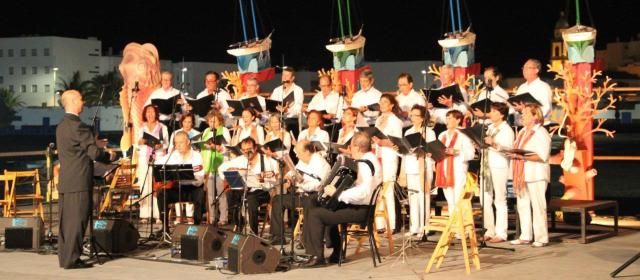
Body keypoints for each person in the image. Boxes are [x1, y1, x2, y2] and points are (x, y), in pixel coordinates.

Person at [301, 132, 382, 267]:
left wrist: (338, 194)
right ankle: (334, 251)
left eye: (351, 147)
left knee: (316, 214)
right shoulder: (370, 159)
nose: (350, 150)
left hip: (361, 210)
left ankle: (317, 256)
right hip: (360, 207)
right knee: (314, 201)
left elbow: (364, 192)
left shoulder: (365, 165)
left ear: (357, 148)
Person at [56, 90, 114, 269]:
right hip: (79, 181)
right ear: (73, 101)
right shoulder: (78, 126)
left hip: (66, 180)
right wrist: (109, 155)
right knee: (77, 221)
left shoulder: (61, 126)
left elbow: (76, 150)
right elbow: (93, 153)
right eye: (81, 99)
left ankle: (65, 257)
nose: (83, 102)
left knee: (65, 222)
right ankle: (72, 260)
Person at [269, 140, 331, 245]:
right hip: (301, 195)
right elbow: (294, 171)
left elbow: (318, 186)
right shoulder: (303, 161)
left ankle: (307, 240)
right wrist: (288, 178)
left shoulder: (321, 164)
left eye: (298, 152)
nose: (296, 155)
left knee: (309, 202)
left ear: (307, 151)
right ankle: (278, 236)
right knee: (277, 199)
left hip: (315, 197)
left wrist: (298, 184)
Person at [218, 137, 279, 234]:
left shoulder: (266, 160)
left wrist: (264, 180)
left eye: (249, 150)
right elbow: (221, 168)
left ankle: (253, 232)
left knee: (251, 199)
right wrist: (229, 174)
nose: (247, 152)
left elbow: (274, 179)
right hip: (244, 190)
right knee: (231, 194)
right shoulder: (240, 159)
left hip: (262, 191)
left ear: (255, 148)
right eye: (244, 150)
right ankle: (239, 225)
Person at [509, 104, 551, 248]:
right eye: (522, 113)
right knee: (522, 204)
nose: (522, 116)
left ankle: (541, 237)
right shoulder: (521, 132)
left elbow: (542, 156)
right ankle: (525, 235)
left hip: (536, 173)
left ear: (535, 116)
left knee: (538, 206)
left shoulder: (541, 132)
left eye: (526, 113)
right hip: (522, 173)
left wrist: (522, 157)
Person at [155, 131, 205, 226]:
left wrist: (186, 176)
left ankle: (197, 225)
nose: (178, 145)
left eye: (180, 142)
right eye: (176, 143)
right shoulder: (173, 155)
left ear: (188, 142)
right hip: (177, 188)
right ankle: (164, 227)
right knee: (162, 194)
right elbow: (158, 163)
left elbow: (199, 181)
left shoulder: (197, 156)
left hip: (192, 188)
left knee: (200, 194)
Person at [481, 102, 514, 243]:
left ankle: (501, 233)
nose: (491, 113)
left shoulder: (507, 130)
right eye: (491, 111)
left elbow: (508, 149)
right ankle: (489, 229)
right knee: (485, 198)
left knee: (500, 199)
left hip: (499, 165)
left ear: (501, 114)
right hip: (486, 165)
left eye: (494, 111)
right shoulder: (490, 128)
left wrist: (493, 143)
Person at [401, 105, 436, 238]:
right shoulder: (408, 132)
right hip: (411, 166)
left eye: (416, 115)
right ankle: (414, 226)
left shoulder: (429, 132)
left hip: (423, 166)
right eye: (412, 115)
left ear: (422, 118)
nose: (412, 117)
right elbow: (404, 151)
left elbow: (433, 150)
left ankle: (424, 226)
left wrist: (423, 150)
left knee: (423, 196)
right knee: (413, 197)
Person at [434, 110, 475, 216]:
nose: (447, 120)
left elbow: (471, 153)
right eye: (446, 118)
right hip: (443, 169)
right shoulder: (442, 135)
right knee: (450, 200)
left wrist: (456, 152)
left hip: (457, 169)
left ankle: (461, 228)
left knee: (458, 199)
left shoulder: (463, 134)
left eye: (450, 118)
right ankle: (454, 226)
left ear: (458, 120)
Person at [372, 94, 403, 233]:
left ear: (392, 105)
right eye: (381, 102)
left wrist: (382, 142)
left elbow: (397, 141)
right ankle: (380, 224)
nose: (382, 104)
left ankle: (392, 223)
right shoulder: (379, 119)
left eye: (385, 102)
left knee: (388, 188)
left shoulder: (395, 121)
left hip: (389, 155)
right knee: (378, 189)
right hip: (378, 154)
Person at [136, 104, 169, 223]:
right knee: (145, 186)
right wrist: (141, 141)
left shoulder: (162, 127)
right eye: (147, 112)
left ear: (156, 113)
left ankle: (158, 214)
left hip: (158, 158)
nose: (150, 114)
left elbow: (166, 144)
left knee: (157, 187)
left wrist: (160, 145)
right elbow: (137, 143)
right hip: (145, 159)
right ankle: (145, 214)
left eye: (152, 112)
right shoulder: (142, 128)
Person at [200, 110, 231, 225]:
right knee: (210, 195)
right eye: (210, 121)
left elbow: (227, 147)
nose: (212, 123)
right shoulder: (206, 131)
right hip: (209, 165)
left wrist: (217, 147)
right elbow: (204, 145)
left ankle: (223, 218)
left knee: (221, 193)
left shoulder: (224, 130)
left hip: (221, 165)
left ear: (220, 121)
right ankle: (212, 217)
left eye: (214, 121)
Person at [428, 64, 468, 135]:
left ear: (452, 75)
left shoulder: (460, 91)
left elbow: (464, 110)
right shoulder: (436, 91)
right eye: (441, 74)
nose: (442, 77)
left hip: (452, 127)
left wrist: (451, 106)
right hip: (437, 126)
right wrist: (430, 108)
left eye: (445, 74)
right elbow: (433, 112)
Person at [513, 59, 553, 124]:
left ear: (536, 70)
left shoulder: (543, 87)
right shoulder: (522, 87)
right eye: (523, 68)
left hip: (538, 126)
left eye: (527, 68)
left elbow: (546, 109)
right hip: (522, 125)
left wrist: (525, 110)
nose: (524, 70)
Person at [270, 67, 305, 137]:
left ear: (292, 78)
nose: (284, 78)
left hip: (291, 120)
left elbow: (298, 108)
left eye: (287, 76)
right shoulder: (277, 90)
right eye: (283, 75)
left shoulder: (298, 90)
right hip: (277, 119)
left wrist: (286, 110)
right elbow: (271, 104)